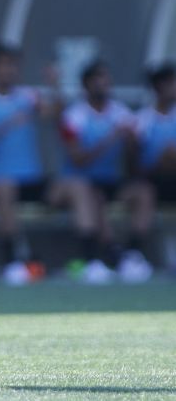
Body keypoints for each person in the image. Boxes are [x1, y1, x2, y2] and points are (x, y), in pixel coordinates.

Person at [0, 42, 96, 284]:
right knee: (4, 189)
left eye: (12, 65)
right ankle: (13, 261)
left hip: (31, 180)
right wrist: (6, 124)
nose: (8, 70)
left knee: (78, 187)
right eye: (3, 65)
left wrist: (54, 86)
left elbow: (58, 115)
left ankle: (89, 261)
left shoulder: (28, 97)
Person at [59, 60, 155, 283]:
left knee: (144, 192)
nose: (103, 83)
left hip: (111, 182)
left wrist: (131, 144)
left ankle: (132, 255)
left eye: (105, 78)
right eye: (97, 79)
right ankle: (93, 258)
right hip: (78, 183)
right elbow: (78, 160)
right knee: (91, 194)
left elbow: (134, 165)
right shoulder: (74, 116)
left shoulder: (121, 113)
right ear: (86, 84)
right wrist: (112, 136)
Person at [126, 63, 176, 280]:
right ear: (160, 86)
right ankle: (133, 255)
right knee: (144, 194)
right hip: (152, 180)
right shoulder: (142, 120)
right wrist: (161, 161)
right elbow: (134, 167)